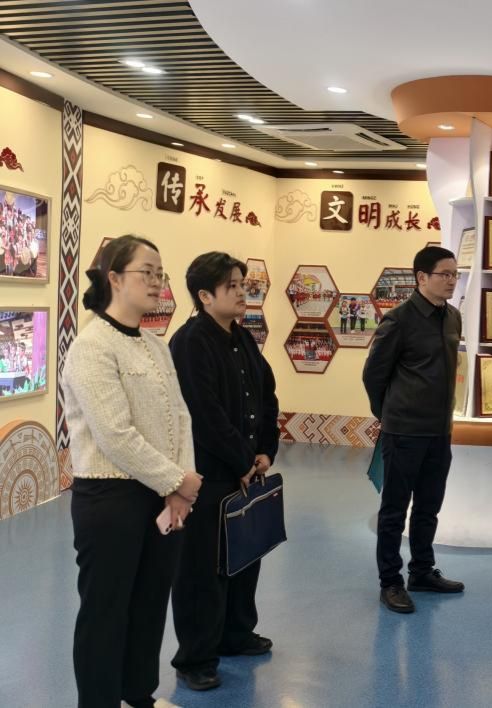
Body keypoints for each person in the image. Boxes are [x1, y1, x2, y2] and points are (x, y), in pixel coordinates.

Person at [61, 235, 202, 708]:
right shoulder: (91, 347)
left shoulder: (155, 345)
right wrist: (177, 481)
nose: (158, 282)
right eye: (148, 272)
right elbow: (114, 435)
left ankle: (137, 694)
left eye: (161, 273)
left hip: (162, 497)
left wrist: (181, 485)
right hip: (110, 500)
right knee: (105, 612)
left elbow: (181, 416)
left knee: (148, 605)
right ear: (115, 279)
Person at [168, 252, 280, 692]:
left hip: (244, 470)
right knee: (202, 570)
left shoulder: (242, 336)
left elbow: (266, 393)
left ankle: (235, 634)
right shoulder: (190, 342)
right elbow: (204, 414)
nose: (240, 292)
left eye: (241, 284)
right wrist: (243, 460)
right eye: (231, 285)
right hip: (207, 476)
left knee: (244, 556)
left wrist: (265, 450)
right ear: (204, 295)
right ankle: (195, 658)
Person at [363, 245, 465, 613]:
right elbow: (374, 375)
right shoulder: (399, 320)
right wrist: (391, 415)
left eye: (455, 274)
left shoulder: (453, 317)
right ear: (422, 277)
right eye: (445, 274)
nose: (451, 281)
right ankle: (390, 582)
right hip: (404, 432)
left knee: (429, 507)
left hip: (439, 431)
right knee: (394, 511)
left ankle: (422, 571)